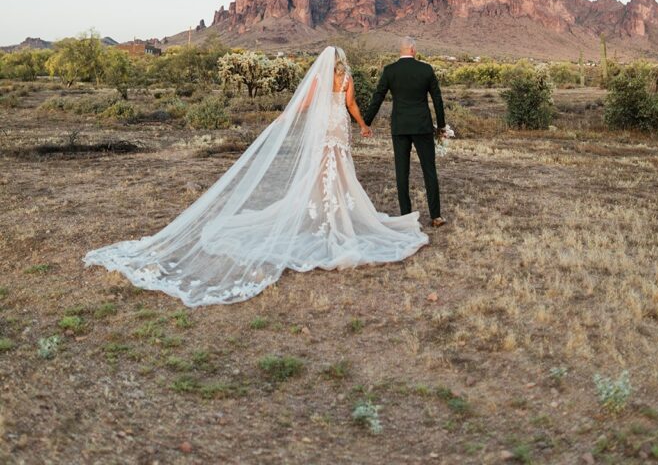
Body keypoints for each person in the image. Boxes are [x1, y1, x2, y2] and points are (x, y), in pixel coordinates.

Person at [84, 46, 427, 306]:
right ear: (342, 61)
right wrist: (363, 125)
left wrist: (284, 118)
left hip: (325, 122)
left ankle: (321, 211)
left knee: (322, 166)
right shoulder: (347, 78)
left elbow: (305, 103)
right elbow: (351, 106)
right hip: (339, 125)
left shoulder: (322, 78)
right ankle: (331, 211)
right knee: (338, 166)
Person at [364, 37, 446, 227]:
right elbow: (438, 99)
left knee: (402, 172)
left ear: (401, 50)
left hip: (400, 127)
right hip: (422, 126)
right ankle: (436, 216)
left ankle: (406, 216)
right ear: (413, 49)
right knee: (429, 170)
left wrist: (366, 122)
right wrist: (441, 125)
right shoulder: (426, 70)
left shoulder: (390, 71)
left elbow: (378, 97)